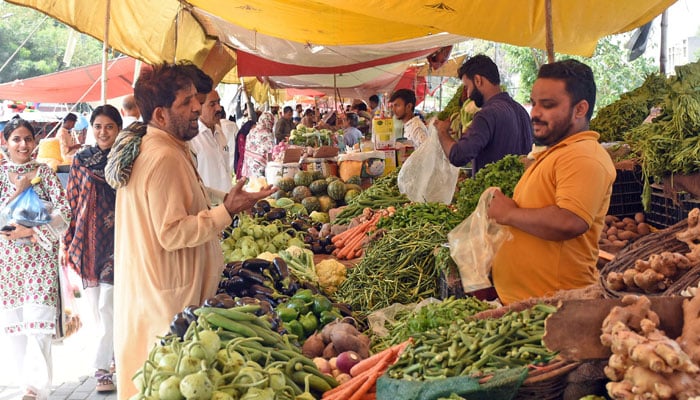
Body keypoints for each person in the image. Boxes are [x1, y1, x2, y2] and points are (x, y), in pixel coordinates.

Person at [108, 63, 276, 398]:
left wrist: (226, 200)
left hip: (165, 295)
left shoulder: (170, 148)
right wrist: (225, 211)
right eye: (186, 103)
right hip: (166, 303)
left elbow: (188, 201)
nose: (197, 107)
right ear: (160, 114)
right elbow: (170, 232)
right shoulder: (162, 157)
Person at [486, 59, 616, 305]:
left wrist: (509, 214)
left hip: (556, 310)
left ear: (580, 109)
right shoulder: (558, 152)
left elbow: (570, 221)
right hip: (530, 307)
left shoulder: (583, 155)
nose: (535, 113)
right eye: (534, 103)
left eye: (548, 105)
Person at [0, 118, 71, 400]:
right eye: (16, 139)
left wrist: (32, 230)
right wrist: (21, 191)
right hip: (8, 262)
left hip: (40, 259)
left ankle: (35, 389)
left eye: (28, 139)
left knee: (39, 326)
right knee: (16, 329)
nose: (23, 144)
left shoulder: (46, 172)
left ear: (35, 142)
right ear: (6, 142)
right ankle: (22, 384)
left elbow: (64, 212)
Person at [62, 105, 122, 393]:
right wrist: (67, 236)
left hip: (120, 239)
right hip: (89, 241)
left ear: (118, 129)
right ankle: (109, 353)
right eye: (98, 126)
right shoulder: (82, 160)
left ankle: (100, 370)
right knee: (95, 308)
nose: (103, 132)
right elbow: (71, 198)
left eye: (109, 126)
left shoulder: (127, 159)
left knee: (107, 303)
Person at [435, 54, 533, 174]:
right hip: (520, 191)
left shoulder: (486, 114)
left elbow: (458, 156)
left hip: (492, 191)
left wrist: (442, 131)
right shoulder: (521, 111)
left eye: (467, 87)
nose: (468, 94)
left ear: (478, 80)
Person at [190, 88, 233, 202]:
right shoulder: (192, 138)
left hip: (227, 202)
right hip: (209, 206)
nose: (219, 108)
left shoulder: (219, 131)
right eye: (212, 104)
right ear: (199, 107)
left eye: (218, 102)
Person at [242, 112, 276, 178]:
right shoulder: (267, 134)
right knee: (261, 185)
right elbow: (271, 152)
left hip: (249, 163)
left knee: (253, 185)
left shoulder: (252, 131)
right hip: (260, 166)